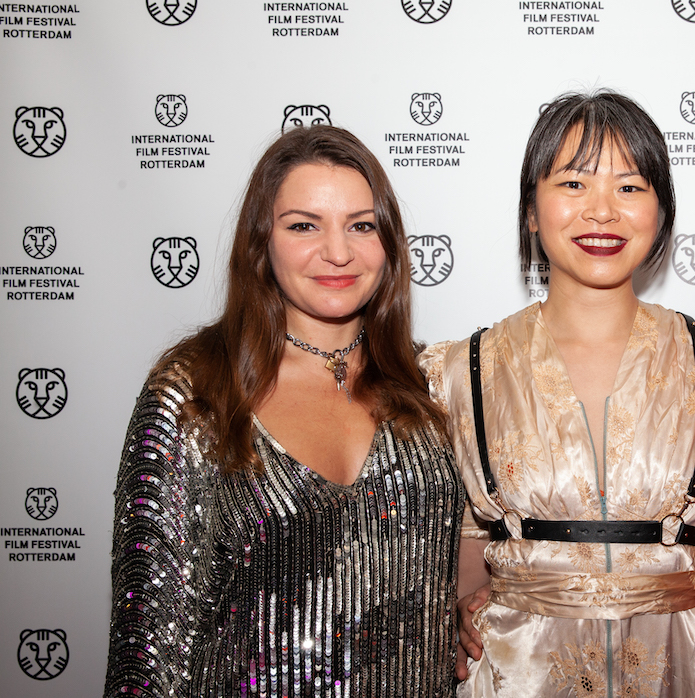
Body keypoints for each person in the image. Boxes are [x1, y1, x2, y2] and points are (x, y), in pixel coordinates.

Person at [104, 125, 465, 697]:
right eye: (303, 225)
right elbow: (146, 654)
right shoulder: (195, 395)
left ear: (389, 244)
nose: (338, 252)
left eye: (361, 226)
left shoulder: (434, 387)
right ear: (260, 242)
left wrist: (481, 604)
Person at [419, 91, 695, 697]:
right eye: (573, 184)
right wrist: (454, 618)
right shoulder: (458, 371)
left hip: (674, 676)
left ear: (661, 212)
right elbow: (467, 548)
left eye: (630, 187)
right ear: (531, 210)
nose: (601, 211)